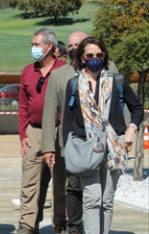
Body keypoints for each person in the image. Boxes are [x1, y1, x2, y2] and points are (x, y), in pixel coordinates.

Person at [62, 37, 143, 234]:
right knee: (92, 198)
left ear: (104, 56)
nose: (95, 59)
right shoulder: (74, 85)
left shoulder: (117, 82)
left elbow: (137, 108)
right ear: (82, 58)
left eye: (99, 55)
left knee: (106, 200)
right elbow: (68, 121)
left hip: (114, 147)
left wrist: (131, 129)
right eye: (90, 55)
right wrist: (69, 151)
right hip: (86, 147)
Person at [41, 31, 119, 234]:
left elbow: (121, 107)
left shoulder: (110, 71)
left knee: (102, 191)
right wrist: (49, 147)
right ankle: (74, 227)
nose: (74, 48)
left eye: (79, 44)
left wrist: (123, 135)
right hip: (75, 144)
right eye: (71, 45)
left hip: (105, 143)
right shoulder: (59, 75)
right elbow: (50, 112)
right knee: (73, 187)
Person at [16, 28, 66, 234]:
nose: (33, 48)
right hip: (34, 132)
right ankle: (27, 225)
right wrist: (23, 134)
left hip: (58, 131)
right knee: (29, 182)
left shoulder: (65, 70)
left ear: (50, 47)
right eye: (32, 44)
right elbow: (23, 105)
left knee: (61, 182)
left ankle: (61, 224)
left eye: (37, 44)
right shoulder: (28, 71)